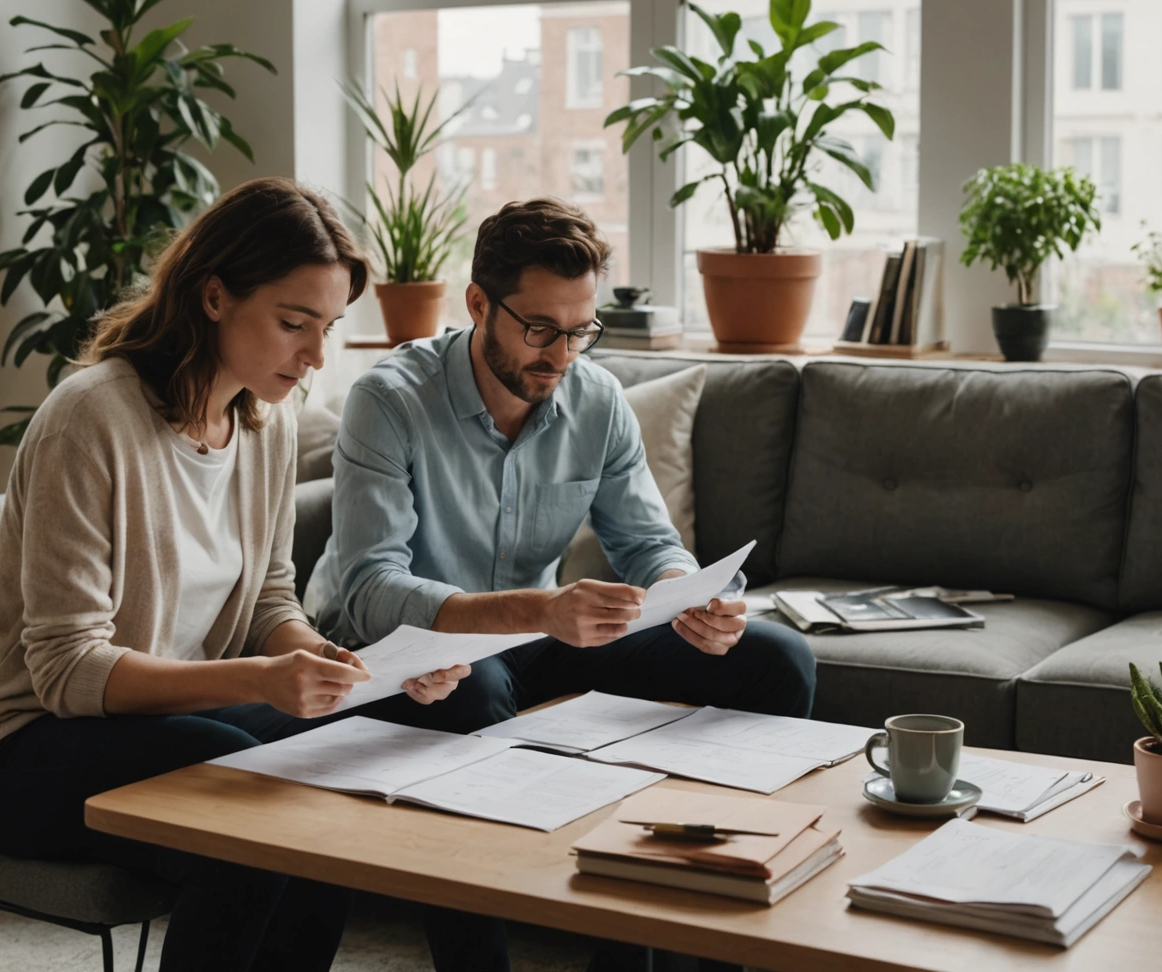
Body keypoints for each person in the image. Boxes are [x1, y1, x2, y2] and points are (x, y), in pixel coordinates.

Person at [0, 178, 468, 972]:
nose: (316, 355)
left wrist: (332, 665)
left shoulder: (269, 419)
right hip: (20, 749)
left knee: (344, 767)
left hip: (161, 729)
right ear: (214, 295)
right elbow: (66, 672)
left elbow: (268, 600)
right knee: (257, 807)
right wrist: (260, 679)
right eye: (294, 323)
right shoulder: (91, 419)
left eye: (326, 328)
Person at [306, 197, 817, 971]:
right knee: (472, 692)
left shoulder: (595, 399)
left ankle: (680, 946)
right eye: (539, 328)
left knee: (774, 661)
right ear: (479, 303)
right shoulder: (390, 399)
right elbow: (369, 589)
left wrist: (693, 596)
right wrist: (544, 610)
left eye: (581, 330)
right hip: (419, 650)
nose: (562, 353)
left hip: (541, 637)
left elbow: (647, 542)